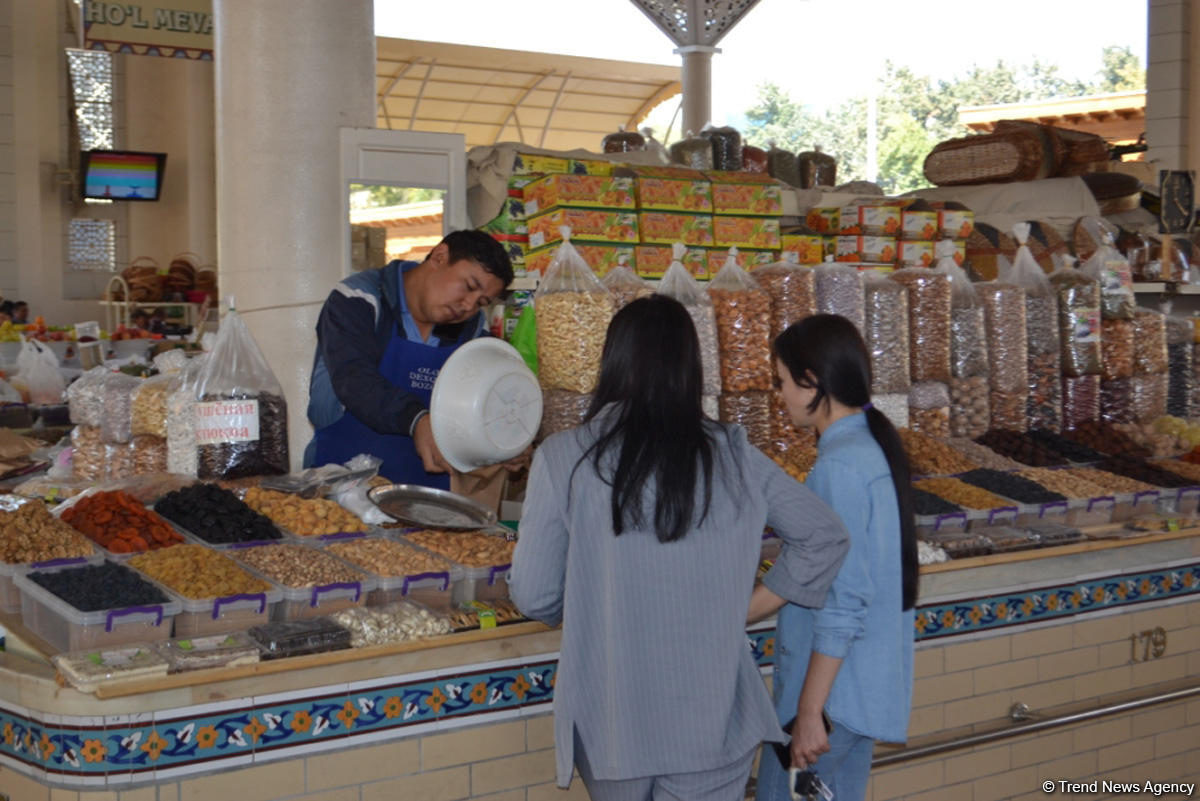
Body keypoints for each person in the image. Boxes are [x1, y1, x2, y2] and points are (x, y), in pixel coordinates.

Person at [509, 295, 850, 801]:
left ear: (613, 362)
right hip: (713, 721)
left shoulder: (565, 458)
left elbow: (534, 596)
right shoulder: (735, 454)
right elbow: (823, 536)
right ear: (692, 367)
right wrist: (750, 605)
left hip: (612, 723)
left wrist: (592, 599)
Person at [750, 314, 919, 801]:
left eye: (782, 382)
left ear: (812, 382)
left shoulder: (839, 468)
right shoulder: (870, 449)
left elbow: (844, 603)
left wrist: (808, 713)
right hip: (854, 696)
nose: (780, 397)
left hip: (830, 707)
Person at [305, 230, 514, 486]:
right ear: (439, 256)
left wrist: (505, 438)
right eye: (469, 286)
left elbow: (485, 398)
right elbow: (354, 378)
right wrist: (416, 419)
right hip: (343, 483)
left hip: (429, 496)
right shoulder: (360, 297)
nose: (469, 306)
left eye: (481, 301)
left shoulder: (472, 330)